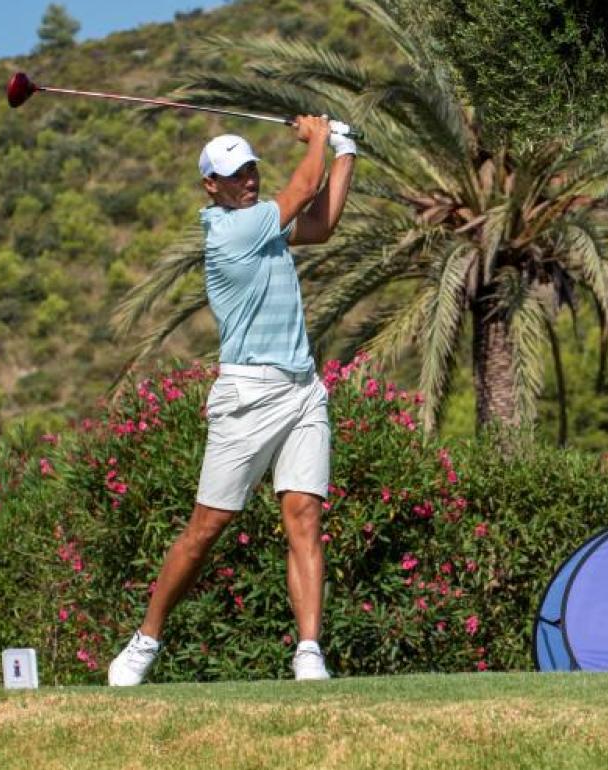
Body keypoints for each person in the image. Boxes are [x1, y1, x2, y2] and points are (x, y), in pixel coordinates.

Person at [108, 115, 356, 685]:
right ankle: (146, 640)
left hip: (301, 390)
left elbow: (321, 224)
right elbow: (299, 193)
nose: (246, 179)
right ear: (210, 187)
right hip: (247, 396)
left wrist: (345, 151)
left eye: (250, 169)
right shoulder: (230, 232)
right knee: (206, 528)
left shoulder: (265, 226)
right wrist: (318, 136)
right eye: (232, 174)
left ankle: (309, 652)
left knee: (305, 516)